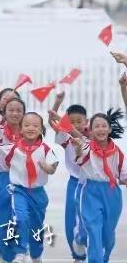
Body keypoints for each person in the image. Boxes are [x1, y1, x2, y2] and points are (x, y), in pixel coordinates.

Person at [0, 112, 58, 263]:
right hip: (19, 190)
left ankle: (36, 254)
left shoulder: (45, 149)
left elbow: (53, 168)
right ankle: (20, 252)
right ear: (20, 129)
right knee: (21, 218)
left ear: (41, 129)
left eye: (35, 125)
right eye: (26, 125)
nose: (30, 128)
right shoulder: (14, 148)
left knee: (36, 227)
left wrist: (46, 167)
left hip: (38, 193)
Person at [72, 109, 126, 263]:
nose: (101, 129)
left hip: (112, 193)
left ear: (109, 129)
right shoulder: (86, 147)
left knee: (108, 236)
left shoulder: (117, 152)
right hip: (90, 192)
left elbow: (123, 175)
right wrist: (77, 147)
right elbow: (79, 157)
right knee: (94, 232)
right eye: (97, 126)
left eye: (104, 126)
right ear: (91, 130)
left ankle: (102, 256)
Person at [48, 93, 89, 263]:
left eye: (80, 121)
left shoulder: (93, 135)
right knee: (70, 220)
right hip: (74, 183)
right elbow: (53, 122)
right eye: (72, 122)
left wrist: (66, 124)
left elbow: (82, 138)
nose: (76, 125)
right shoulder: (66, 137)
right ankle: (77, 257)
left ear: (86, 122)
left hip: (91, 184)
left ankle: (91, 249)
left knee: (88, 219)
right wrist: (57, 102)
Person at [0, 96, 24, 263]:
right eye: (11, 110)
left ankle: (19, 253)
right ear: (4, 111)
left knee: (20, 217)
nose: (15, 114)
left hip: (22, 179)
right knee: (2, 217)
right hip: (3, 178)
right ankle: (1, 254)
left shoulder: (28, 129)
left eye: (18, 111)